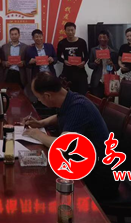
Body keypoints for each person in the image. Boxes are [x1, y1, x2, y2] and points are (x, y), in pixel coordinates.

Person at [23, 72, 118, 200]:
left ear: (48, 96)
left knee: (47, 184)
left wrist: (37, 134)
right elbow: (61, 116)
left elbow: (63, 145)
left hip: (99, 177)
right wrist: (41, 123)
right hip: (85, 164)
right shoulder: (70, 99)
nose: (38, 101)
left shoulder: (79, 107)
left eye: (38, 98)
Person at [56, 22, 89, 95]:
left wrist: (84, 62)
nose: (70, 32)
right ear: (65, 31)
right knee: (68, 94)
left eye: (72, 30)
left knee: (82, 93)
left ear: (75, 30)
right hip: (67, 72)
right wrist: (64, 61)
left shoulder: (82, 42)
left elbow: (86, 55)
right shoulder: (62, 43)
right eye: (68, 30)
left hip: (80, 71)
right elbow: (58, 56)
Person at [88, 30, 118, 97]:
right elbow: (89, 64)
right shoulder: (93, 50)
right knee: (97, 100)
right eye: (100, 37)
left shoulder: (113, 52)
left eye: (104, 37)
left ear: (108, 38)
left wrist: (112, 65)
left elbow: (117, 66)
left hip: (110, 80)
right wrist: (95, 63)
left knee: (110, 101)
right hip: (97, 80)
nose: (102, 39)